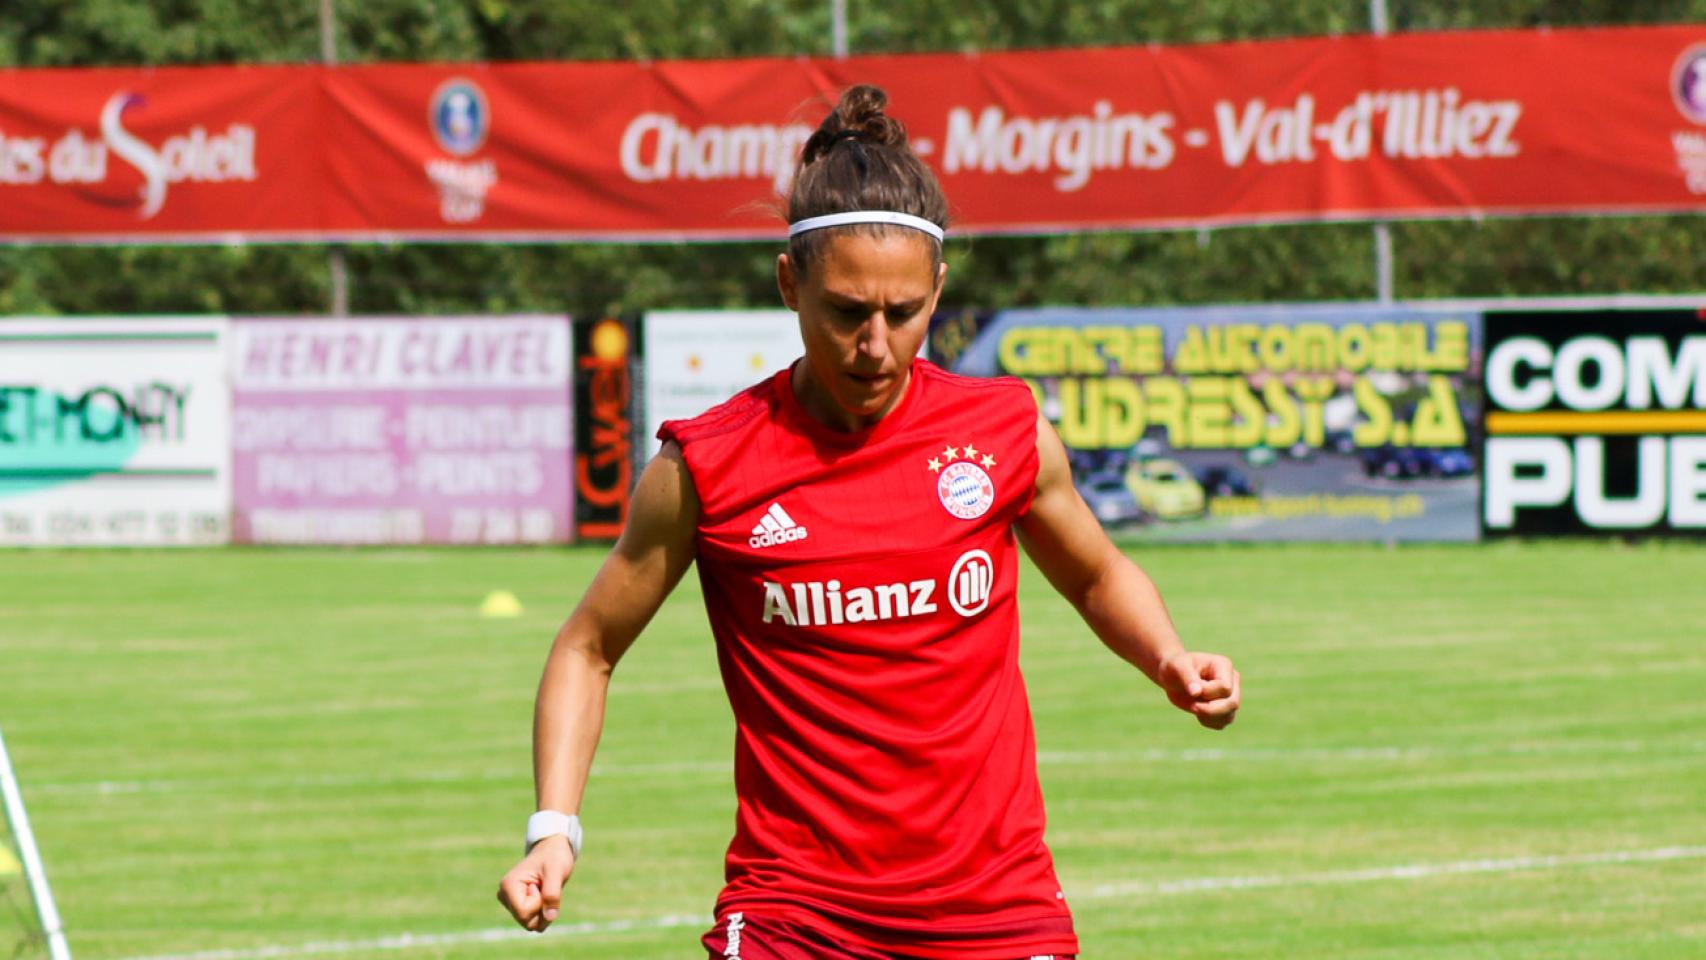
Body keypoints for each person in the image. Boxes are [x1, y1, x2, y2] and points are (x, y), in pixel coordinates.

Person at [497, 84, 1241, 960]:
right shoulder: (706, 463)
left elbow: (1095, 573)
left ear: (938, 289)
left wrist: (1167, 657)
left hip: (994, 906)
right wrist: (555, 828)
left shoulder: (1002, 430)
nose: (877, 345)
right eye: (847, 312)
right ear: (789, 285)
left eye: (905, 313)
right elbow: (589, 645)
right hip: (794, 911)